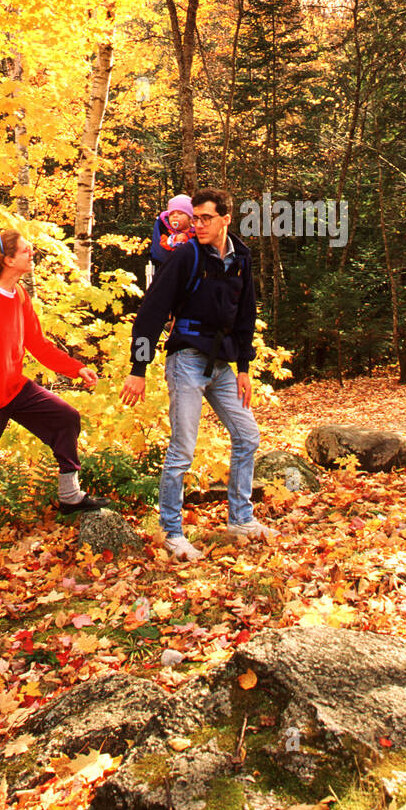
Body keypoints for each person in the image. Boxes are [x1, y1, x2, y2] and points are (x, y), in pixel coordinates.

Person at [120, 188, 274, 561]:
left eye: (206, 218)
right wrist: (138, 368)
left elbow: (246, 314)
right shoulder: (186, 255)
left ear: (226, 218)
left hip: (222, 364)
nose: (198, 224)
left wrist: (244, 367)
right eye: (196, 217)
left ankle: (240, 518)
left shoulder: (241, 258)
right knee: (182, 450)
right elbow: (151, 312)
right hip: (186, 359)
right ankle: (172, 532)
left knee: (248, 436)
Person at [0, 229, 105, 579]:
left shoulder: (19, 295)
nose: (31, 254)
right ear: (7, 260)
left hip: (15, 389)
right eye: (25, 251)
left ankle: (69, 496)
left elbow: (37, 343)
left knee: (65, 417)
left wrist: (76, 367)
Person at [149, 194, 197, 274]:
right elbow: (162, 244)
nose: (175, 216)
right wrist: (174, 240)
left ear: (190, 218)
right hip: (168, 267)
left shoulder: (195, 232)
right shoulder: (165, 230)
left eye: (180, 213)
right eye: (171, 214)